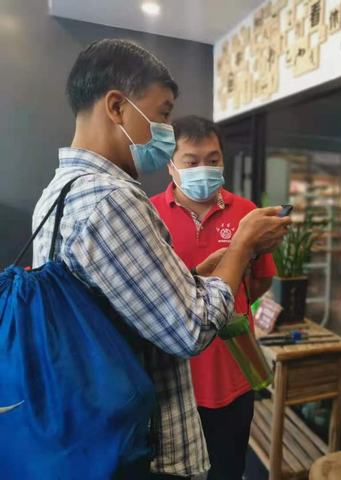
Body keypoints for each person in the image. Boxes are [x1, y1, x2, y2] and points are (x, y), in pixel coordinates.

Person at [31, 39, 290, 479]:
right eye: (164, 112)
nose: (166, 127)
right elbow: (190, 329)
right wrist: (242, 247)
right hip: (136, 437)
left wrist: (189, 278)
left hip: (91, 424)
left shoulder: (59, 192)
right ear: (117, 106)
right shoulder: (113, 200)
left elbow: (116, 305)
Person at [150, 116, 275, 480]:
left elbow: (260, 281)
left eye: (213, 159)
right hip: (171, 380)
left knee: (228, 469)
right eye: (191, 161)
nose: (203, 169)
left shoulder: (247, 213)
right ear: (171, 165)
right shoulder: (149, 214)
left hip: (234, 374)